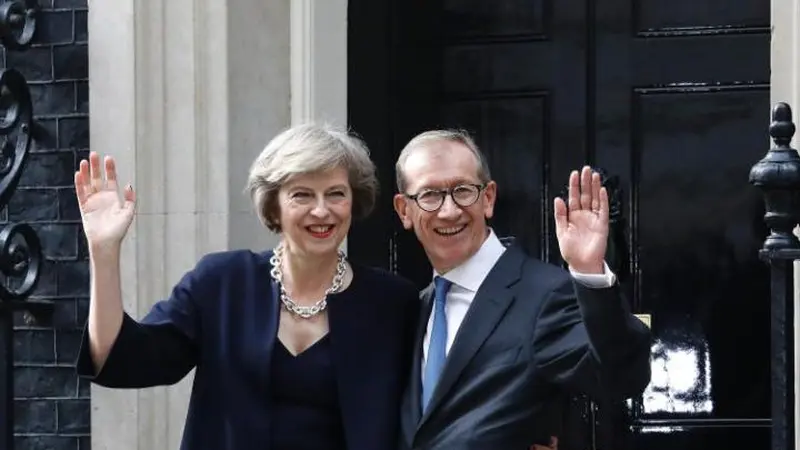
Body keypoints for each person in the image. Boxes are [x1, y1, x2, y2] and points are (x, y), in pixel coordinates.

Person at [74, 123, 420, 450]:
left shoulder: (392, 303)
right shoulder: (222, 283)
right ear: (274, 205)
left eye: (335, 194)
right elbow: (119, 358)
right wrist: (104, 253)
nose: (321, 210)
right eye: (302, 195)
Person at [391, 130, 652, 449]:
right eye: (430, 195)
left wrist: (589, 272)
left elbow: (622, 377)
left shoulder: (544, 295)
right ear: (405, 210)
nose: (449, 210)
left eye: (462, 190)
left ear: (488, 198)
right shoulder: (410, 310)